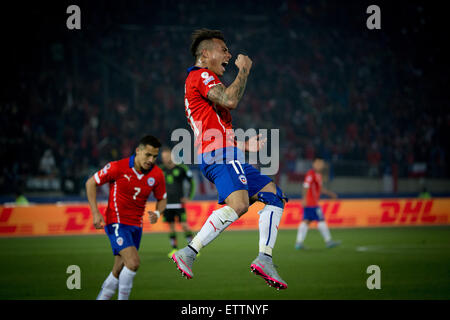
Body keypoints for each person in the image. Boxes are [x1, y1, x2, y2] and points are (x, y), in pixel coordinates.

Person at [172, 28, 288, 290]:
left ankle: (265, 258)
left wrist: (243, 145)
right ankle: (189, 252)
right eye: (223, 50)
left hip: (226, 152)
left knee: (273, 195)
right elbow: (231, 99)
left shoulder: (203, 82)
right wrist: (244, 69)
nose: (229, 54)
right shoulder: (200, 75)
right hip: (219, 155)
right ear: (205, 54)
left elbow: (215, 128)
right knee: (239, 204)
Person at [86, 135, 167, 300]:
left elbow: (162, 198)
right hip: (117, 223)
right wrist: (95, 212)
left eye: (154, 156)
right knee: (133, 263)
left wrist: (158, 213)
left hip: (136, 227)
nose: (151, 160)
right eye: (148, 155)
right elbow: (90, 183)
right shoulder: (118, 167)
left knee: (119, 269)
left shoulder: (157, 174)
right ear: (138, 151)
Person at [295, 158, 341, 249]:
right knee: (320, 220)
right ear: (314, 164)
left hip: (312, 203)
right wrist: (304, 199)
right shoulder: (311, 174)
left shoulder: (318, 175)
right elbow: (305, 186)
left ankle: (299, 243)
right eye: (319, 163)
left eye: (322, 164)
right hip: (311, 203)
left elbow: (320, 189)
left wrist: (330, 194)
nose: (320, 165)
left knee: (306, 221)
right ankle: (328, 241)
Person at [160, 146, 196, 258]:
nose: (165, 159)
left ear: (171, 156)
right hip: (166, 203)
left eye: (167, 156)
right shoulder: (160, 170)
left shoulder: (181, 168)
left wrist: (189, 196)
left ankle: (193, 248)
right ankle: (174, 249)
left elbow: (192, 182)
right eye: (163, 157)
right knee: (171, 227)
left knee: (184, 225)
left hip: (178, 203)